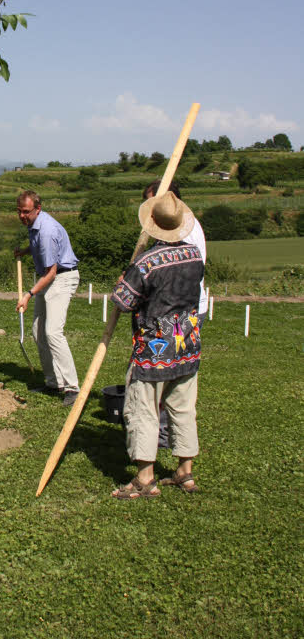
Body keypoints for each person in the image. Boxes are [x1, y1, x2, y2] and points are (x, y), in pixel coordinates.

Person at [110, 190, 204, 499]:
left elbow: (123, 301)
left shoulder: (147, 262)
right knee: (183, 408)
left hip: (155, 348)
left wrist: (124, 279)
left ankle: (144, 478)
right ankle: (185, 472)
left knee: (144, 410)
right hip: (186, 341)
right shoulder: (195, 255)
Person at [142, 180, 208, 448]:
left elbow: (175, 276)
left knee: (166, 374)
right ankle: (167, 433)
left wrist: (141, 275)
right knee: (175, 372)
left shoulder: (185, 234)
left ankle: (164, 434)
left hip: (177, 314)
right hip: (180, 312)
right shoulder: (179, 226)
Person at [14, 191, 81, 406]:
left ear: (38, 208)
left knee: (53, 332)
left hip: (61, 278)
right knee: (37, 331)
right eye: (19, 212)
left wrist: (28, 294)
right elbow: (39, 249)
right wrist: (25, 252)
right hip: (49, 277)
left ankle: (72, 387)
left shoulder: (46, 230)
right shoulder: (34, 226)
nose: (22, 216)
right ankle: (53, 382)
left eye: (26, 212)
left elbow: (51, 272)